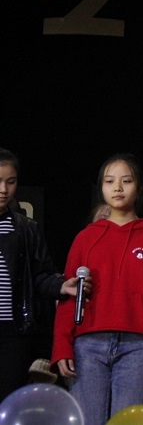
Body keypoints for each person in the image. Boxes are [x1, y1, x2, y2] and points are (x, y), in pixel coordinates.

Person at [51, 153, 143, 424]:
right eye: (109, 181)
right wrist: (61, 346)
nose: (118, 188)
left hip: (139, 347)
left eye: (126, 181)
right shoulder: (85, 238)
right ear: (101, 187)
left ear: (139, 187)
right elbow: (69, 295)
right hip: (88, 345)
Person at [0, 148, 88, 402]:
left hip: (12, 333)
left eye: (11, 181)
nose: (4, 189)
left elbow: (40, 276)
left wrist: (62, 286)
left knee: (8, 402)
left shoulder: (26, 229)